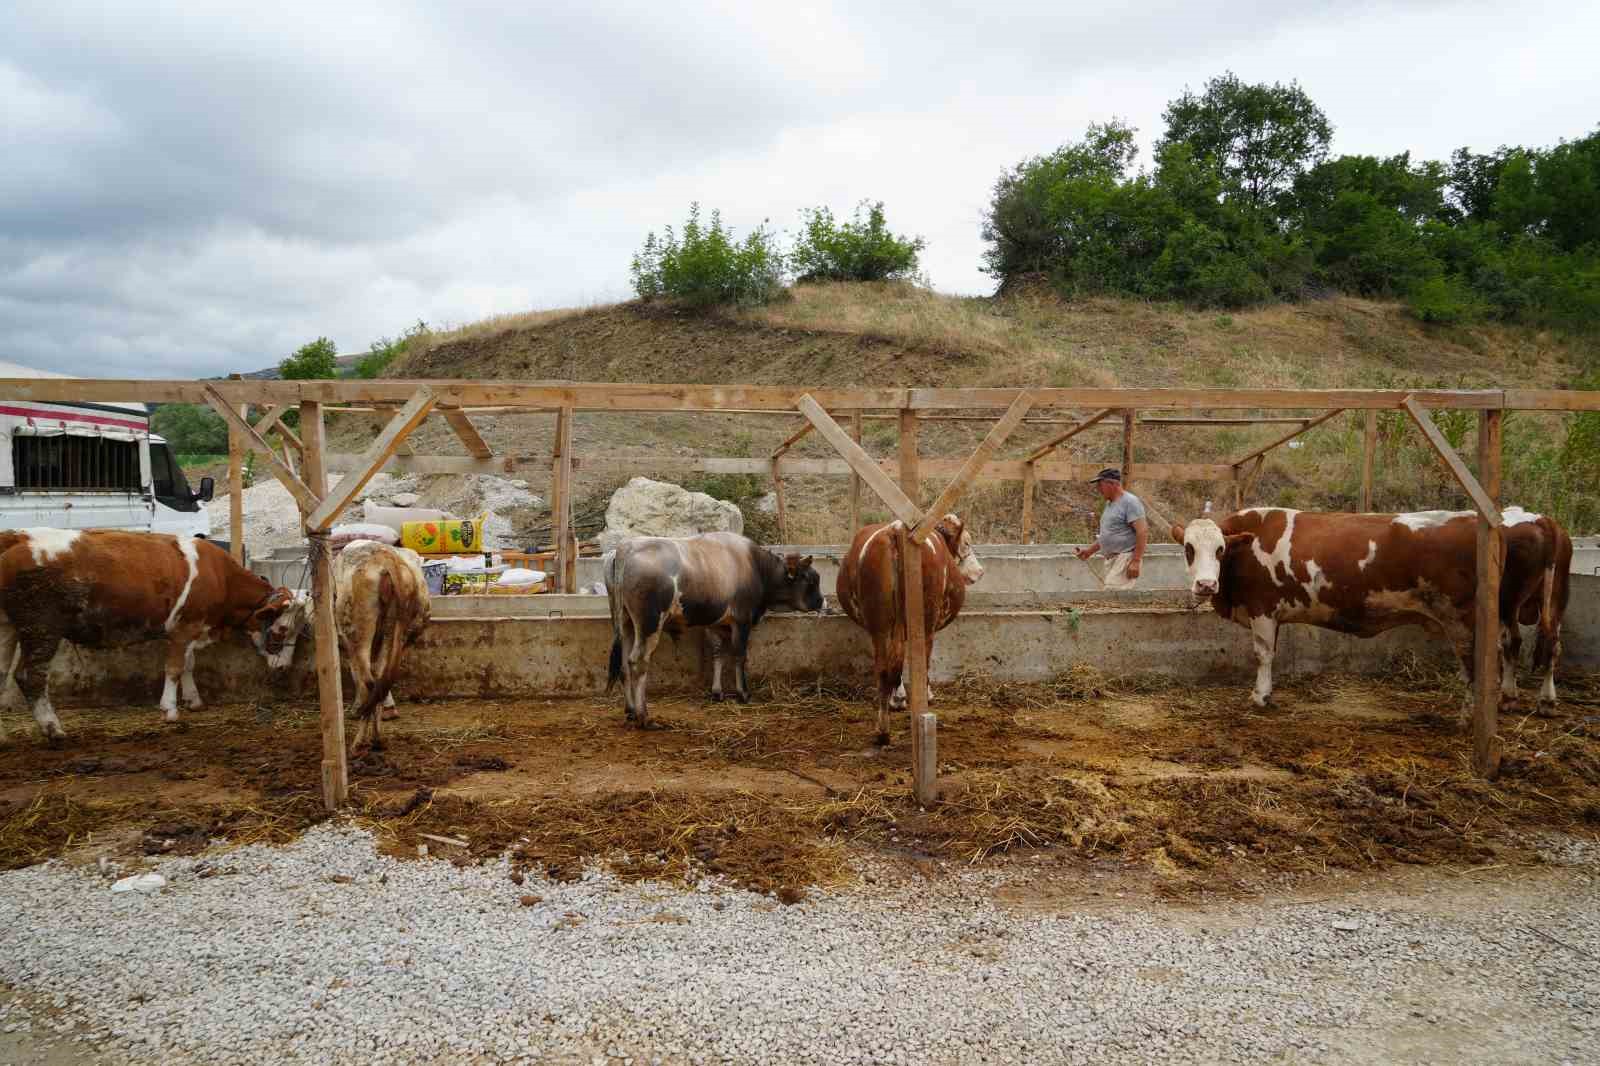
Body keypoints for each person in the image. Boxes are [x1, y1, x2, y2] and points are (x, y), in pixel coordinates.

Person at [1075, 468, 1147, 589]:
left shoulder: (1130, 502)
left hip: (1125, 558)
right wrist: (1088, 552)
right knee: (1110, 597)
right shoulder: (1110, 504)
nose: (1098, 489)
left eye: (1100, 485)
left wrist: (1136, 561)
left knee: (1111, 595)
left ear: (1113, 484)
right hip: (1112, 560)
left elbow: (1142, 531)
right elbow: (1108, 535)